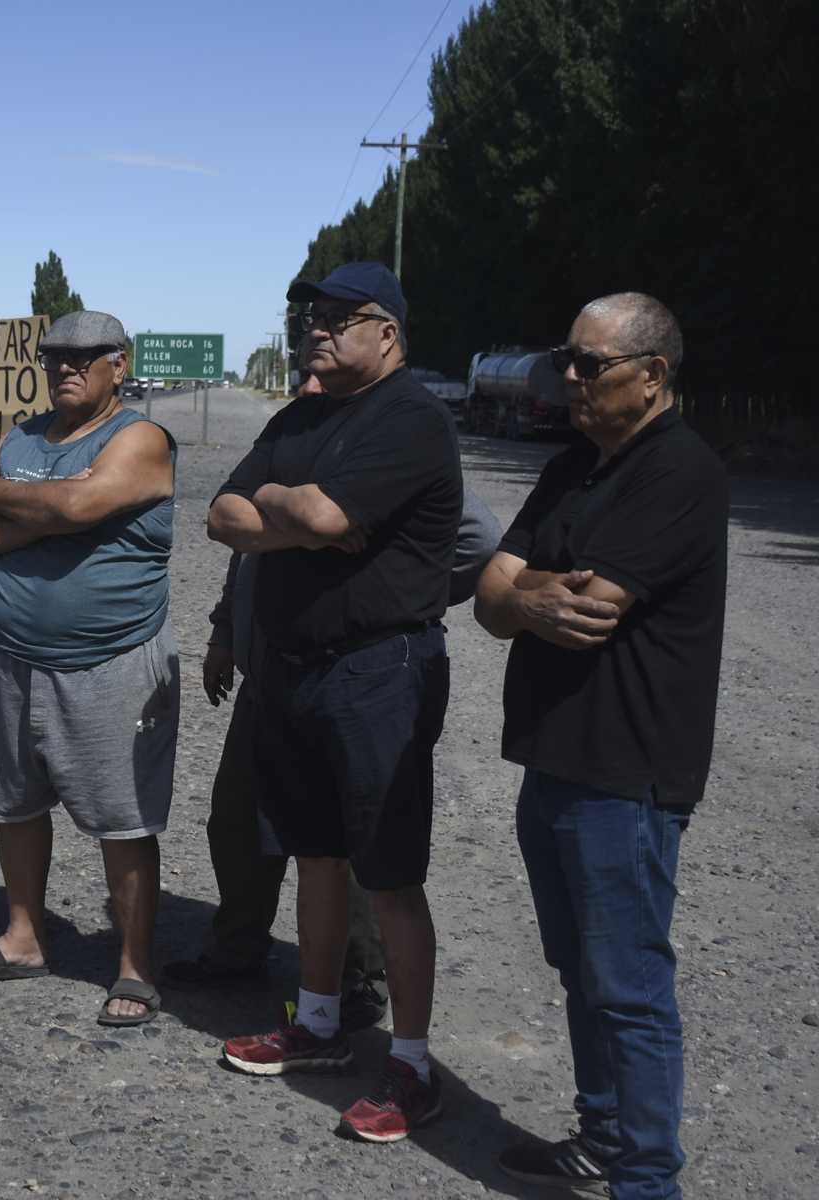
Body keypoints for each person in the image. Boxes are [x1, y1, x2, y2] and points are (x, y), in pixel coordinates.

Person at [475, 294, 725, 1199]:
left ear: (652, 376)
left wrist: (524, 593)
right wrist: (523, 594)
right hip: (556, 758)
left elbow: (592, 605)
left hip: (628, 768)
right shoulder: (577, 466)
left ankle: (647, 1178)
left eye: (591, 365)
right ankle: (605, 1134)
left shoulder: (678, 471)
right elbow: (493, 595)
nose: (569, 380)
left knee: (627, 982)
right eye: (566, 361)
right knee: (577, 966)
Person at [207, 262, 461, 1144]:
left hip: (379, 670)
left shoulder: (413, 420)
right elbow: (222, 513)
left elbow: (308, 516)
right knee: (315, 854)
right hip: (296, 666)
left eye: (340, 316)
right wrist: (292, 508)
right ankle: (315, 1026)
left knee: (389, 873)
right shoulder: (301, 414)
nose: (318, 328)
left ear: (386, 331)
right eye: (312, 315)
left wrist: (289, 511)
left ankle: (412, 1066)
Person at [168, 372, 501, 1032]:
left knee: (350, 843)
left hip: (350, 673)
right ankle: (238, 949)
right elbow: (238, 538)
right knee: (240, 823)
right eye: (306, 376)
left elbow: (477, 541)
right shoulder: (290, 441)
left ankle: (355, 979)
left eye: (329, 379)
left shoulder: (386, 457)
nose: (315, 384)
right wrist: (225, 628)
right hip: (269, 672)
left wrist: (399, 587)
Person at [0, 310, 179, 1027]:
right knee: (14, 804)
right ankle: (24, 938)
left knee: (123, 816)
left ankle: (135, 967)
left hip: (110, 660)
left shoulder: (139, 436)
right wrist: (60, 513)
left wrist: (16, 501)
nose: (66, 367)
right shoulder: (21, 436)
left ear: (118, 363)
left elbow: (78, 501)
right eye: (55, 357)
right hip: (14, 659)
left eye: (85, 356)